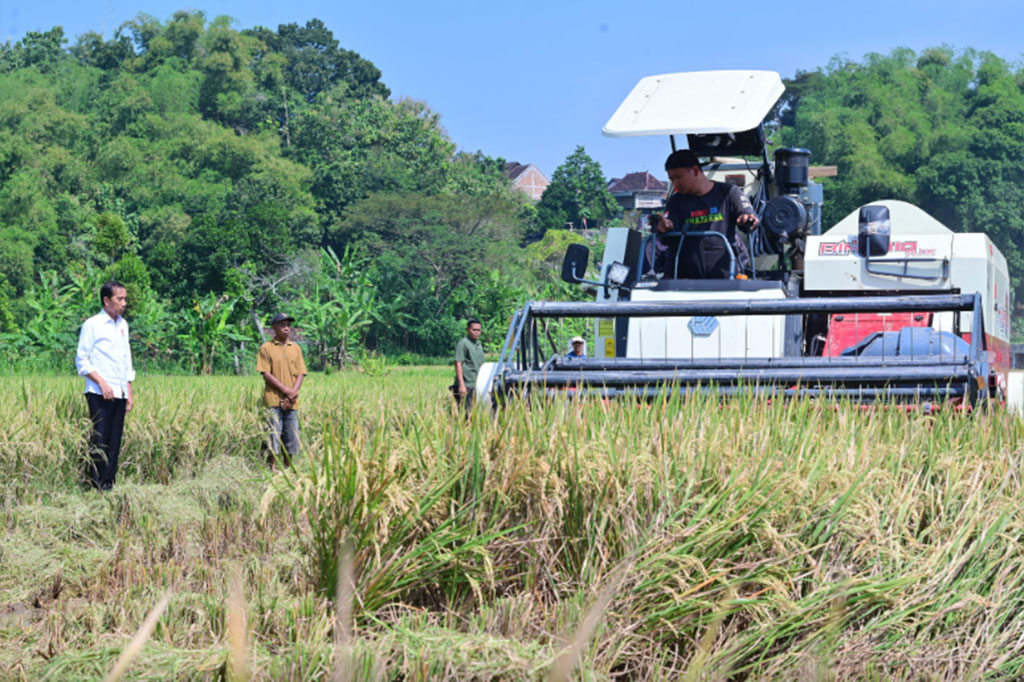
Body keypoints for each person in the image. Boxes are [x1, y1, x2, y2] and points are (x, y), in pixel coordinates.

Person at [654, 149, 759, 279]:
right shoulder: (675, 201)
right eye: (672, 179)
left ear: (696, 171)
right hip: (685, 281)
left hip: (725, 276)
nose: (675, 184)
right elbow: (667, 237)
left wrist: (747, 218)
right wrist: (665, 229)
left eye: (678, 177)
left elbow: (748, 217)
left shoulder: (729, 193)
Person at [76, 281, 135, 491]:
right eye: (120, 299)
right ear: (106, 300)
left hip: (119, 391)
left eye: (125, 299)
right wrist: (102, 383)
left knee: (115, 441)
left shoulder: (123, 326)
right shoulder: (92, 325)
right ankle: (95, 485)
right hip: (98, 392)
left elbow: (126, 359)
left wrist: (128, 391)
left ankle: (109, 484)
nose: (124, 303)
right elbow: (81, 361)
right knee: (100, 440)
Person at [257, 313, 307, 465]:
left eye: (288, 325)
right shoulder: (267, 348)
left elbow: (301, 373)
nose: (286, 328)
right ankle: (271, 466)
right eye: (282, 325)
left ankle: (288, 466)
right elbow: (266, 374)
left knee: (291, 434)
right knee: (273, 433)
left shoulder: (296, 348)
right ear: (274, 328)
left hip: (292, 400)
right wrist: (287, 391)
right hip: (273, 399)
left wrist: (293, 394)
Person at [453, 318, 484, 411]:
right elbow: (458, 364)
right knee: (467, 414)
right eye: (474, 330)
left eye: (478, 330)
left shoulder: (478, 344)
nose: (476, 332)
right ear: (468, 330)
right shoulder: (463, 343)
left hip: (477, 384)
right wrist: (462, 385)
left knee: (476, 412)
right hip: (466, 385)